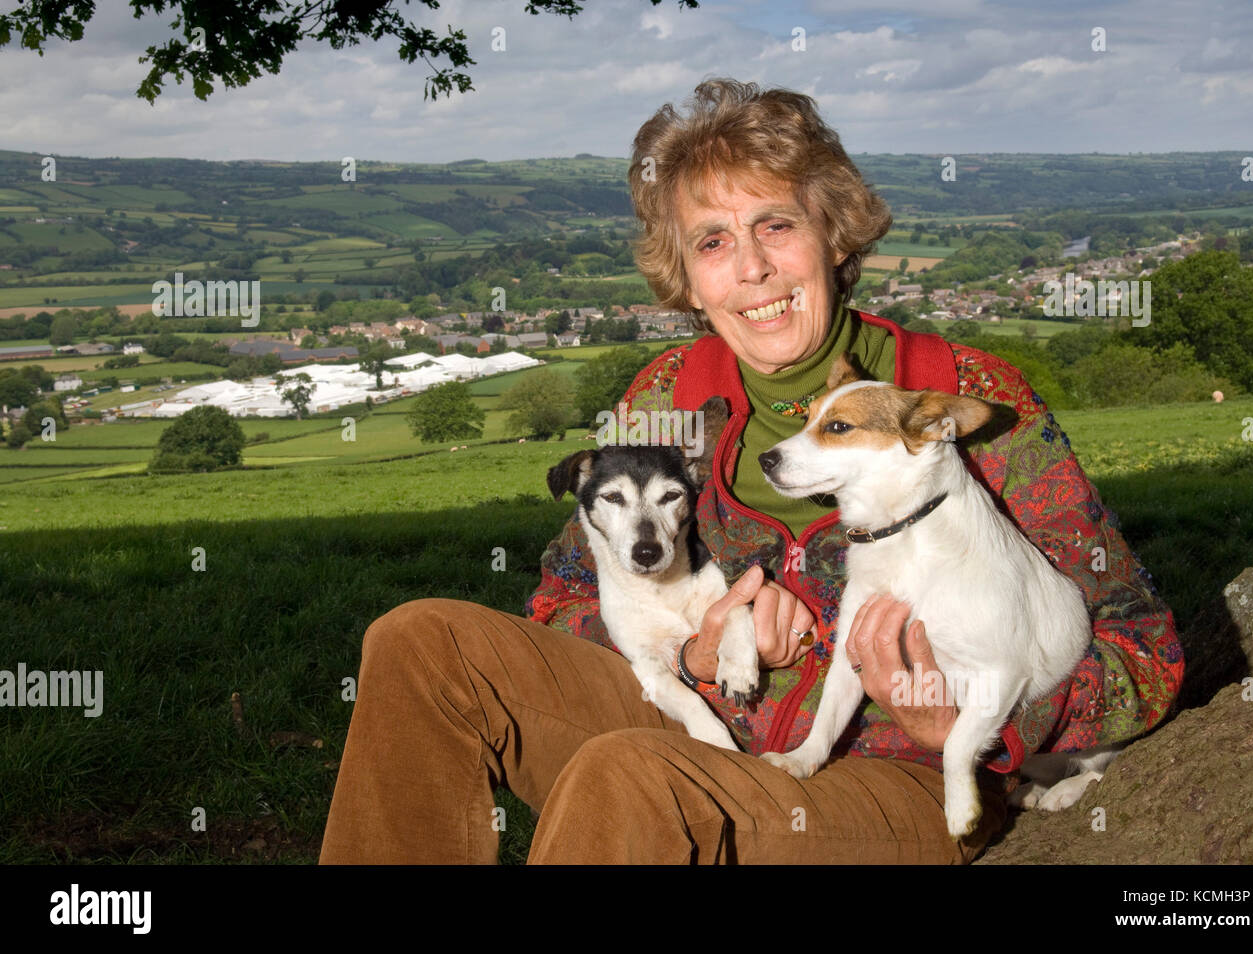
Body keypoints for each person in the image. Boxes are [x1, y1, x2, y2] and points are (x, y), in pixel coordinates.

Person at [319, 79, 1183, 865]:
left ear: (831, 233)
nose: (753, 268)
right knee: (421, 643)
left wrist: (964, 721)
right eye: (713, 242)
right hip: (688, 712)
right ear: (689, 279)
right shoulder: (668, 396)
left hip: (884, 773)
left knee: (634, 772)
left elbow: (1143, 656)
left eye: (776, 224)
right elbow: (562, 601)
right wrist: (691, 649)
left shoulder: (966, 400)